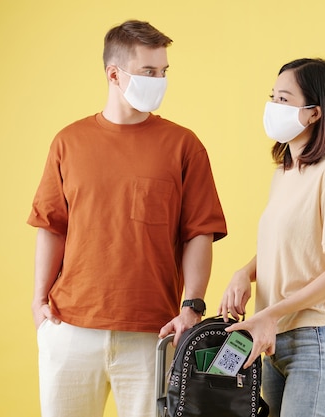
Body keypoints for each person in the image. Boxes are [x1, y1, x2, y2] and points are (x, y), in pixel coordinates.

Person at [27, 19, 227, 417]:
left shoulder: (184, 146)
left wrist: (193, 305)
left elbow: (199, 233)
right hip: (70, 328)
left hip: (152, 332)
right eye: (148, 72)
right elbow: (52, 225)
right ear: (114, 75)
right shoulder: (69, 142)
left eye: (163, 72)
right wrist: (38, 301)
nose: (159, 80)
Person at [218, 58, 325, 417]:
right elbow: (290, 246)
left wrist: (269, 314)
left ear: (314, 113)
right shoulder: (284, 174)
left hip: (316, 340)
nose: (273, 107)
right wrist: (244, 272)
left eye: (284, 99)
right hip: (274, 342)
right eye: (273, 97)